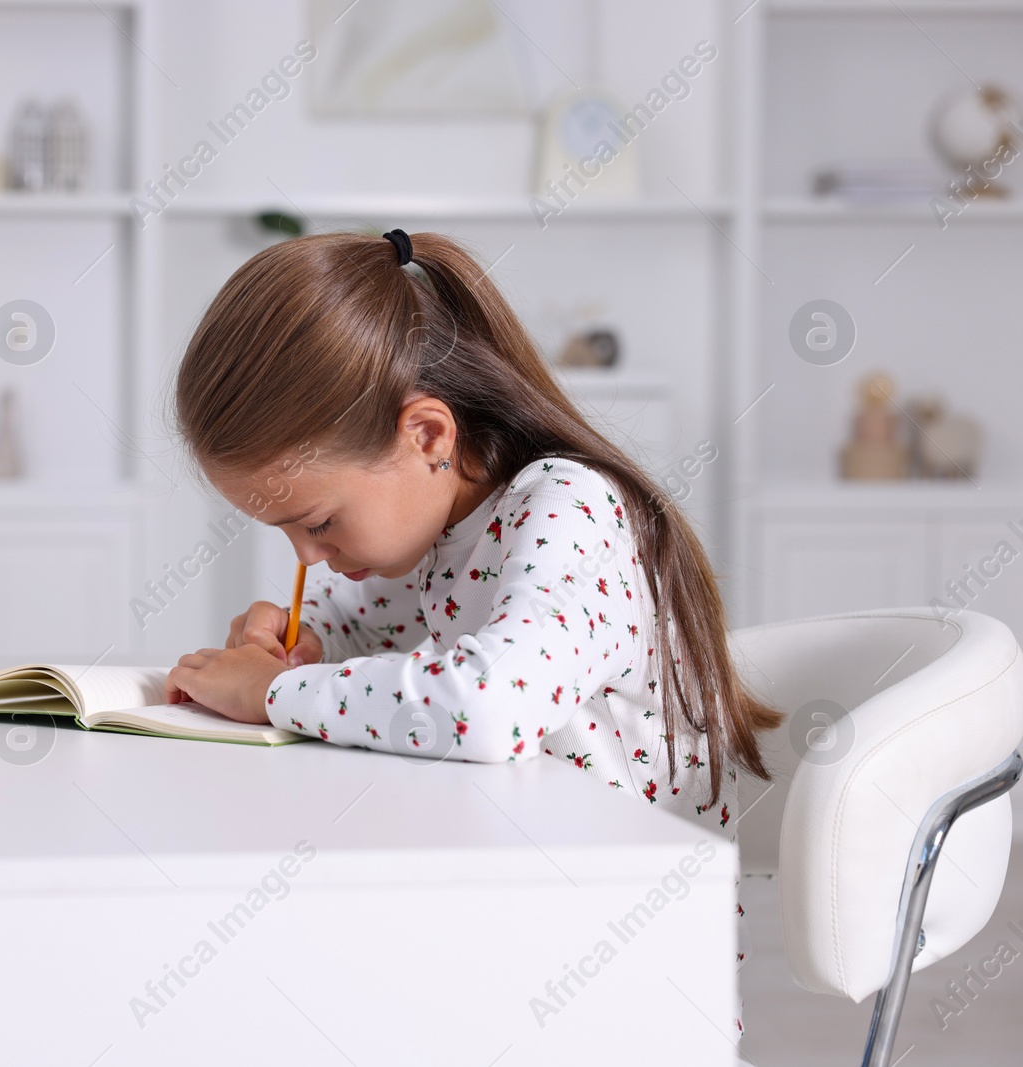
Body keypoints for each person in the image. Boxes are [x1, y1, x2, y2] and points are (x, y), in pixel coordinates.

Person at [164, 228, 782, 1043]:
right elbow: (376, 632)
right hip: (507, 922)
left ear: (427, 436)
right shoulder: (447, 529)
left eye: (316, 522)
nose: (308, 556)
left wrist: (272, 691)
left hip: (616, 978)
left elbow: (486, 703)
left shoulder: (568, 508)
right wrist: (302, 639)